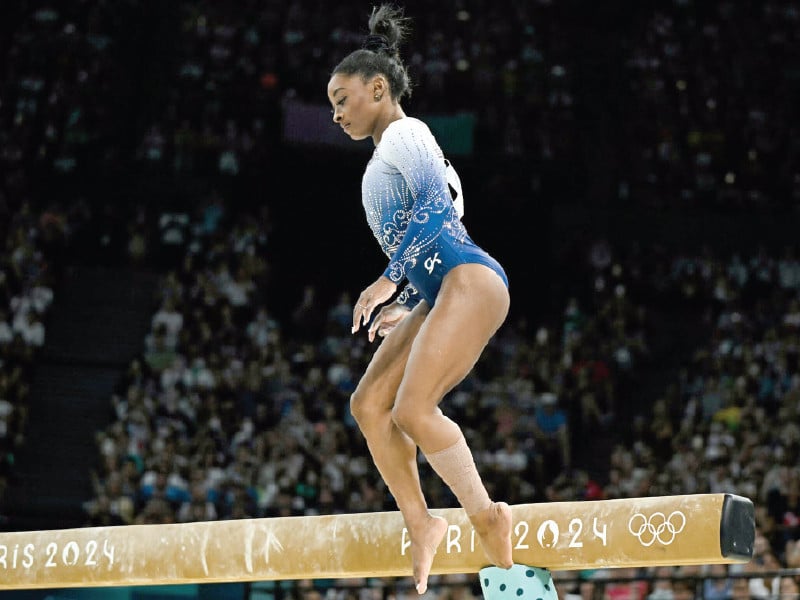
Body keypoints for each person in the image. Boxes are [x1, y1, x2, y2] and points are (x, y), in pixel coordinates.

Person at [326, 5, 512, 595]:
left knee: (412, 409)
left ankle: (486, 514)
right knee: (369, 405)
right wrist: (408, 299)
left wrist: (385, 282)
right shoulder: (384, 161)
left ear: (377, 89)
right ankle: (422, 521)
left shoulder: (408, 134)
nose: (335, 114)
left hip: (472, 279)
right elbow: (439, 222)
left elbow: (436, 210)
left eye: (342, 99)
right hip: (442, 289)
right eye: (331, 105)